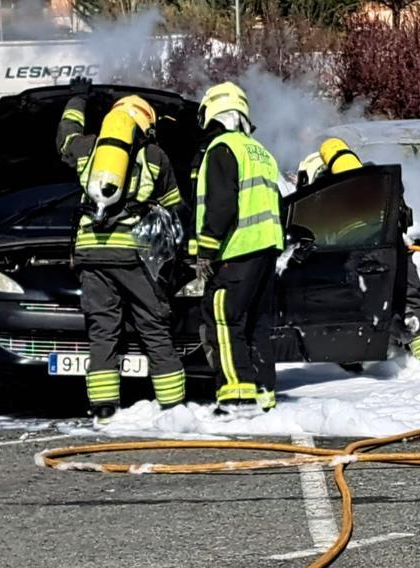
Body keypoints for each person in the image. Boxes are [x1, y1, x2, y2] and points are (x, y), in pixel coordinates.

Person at [60, 95, 187, 425]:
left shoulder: (87, 148)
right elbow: (174, 206)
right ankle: (173, 407)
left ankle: (104, 410)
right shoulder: (154, 156)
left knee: (102, 331)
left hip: (91, 252)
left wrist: (77, 100)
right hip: (132, 254)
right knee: (154, 327)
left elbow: (64, 138)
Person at [295, 139, 420, 368]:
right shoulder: (378, 178)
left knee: (352, 304)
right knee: (409, 299)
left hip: (355, 253)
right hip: (395, 248)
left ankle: (352, 361)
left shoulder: (326, 189)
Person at [192, 82, 284, 416]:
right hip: (266, 252)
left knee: (224, 321)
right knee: (257, 324)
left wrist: (206, 250)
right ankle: (263, 396)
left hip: (236, 251)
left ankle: (236, 400)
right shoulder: (261, 152)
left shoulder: (222, 148)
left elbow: (221, 206)